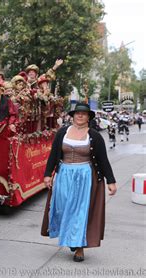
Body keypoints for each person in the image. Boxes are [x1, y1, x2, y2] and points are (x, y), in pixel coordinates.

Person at [41, 103, 117, 262]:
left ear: (88, 117)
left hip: (84, 177)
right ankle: (71, 237)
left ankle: (79, 247)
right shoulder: (63, 132)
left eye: (84, 114)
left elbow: (103, 159)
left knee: (79, 211)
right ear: (73, 115)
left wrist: (111, 181)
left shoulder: (94, 136)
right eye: (77, 113)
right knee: (62, 208)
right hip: (64, 175)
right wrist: (48, 174)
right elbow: (54, 154)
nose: (80, 116)